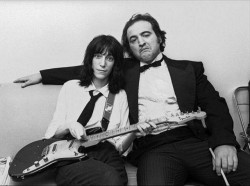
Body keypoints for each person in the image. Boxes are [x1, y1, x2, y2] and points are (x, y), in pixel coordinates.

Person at [14, 14, 250, 186]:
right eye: (133, 39)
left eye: (146, 35)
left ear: (159, 37)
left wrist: (223, 142)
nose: (141, 42)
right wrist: (42, 75)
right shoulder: (123, 69)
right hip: (153, 149)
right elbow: (86, 68)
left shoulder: (190, 69)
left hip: (194, 142)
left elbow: (215, 105)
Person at [42, 34, 138, 186]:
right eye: (98, 56)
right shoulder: (71, 87)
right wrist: (70, 125)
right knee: (110, 179)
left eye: (110, 58)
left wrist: (134, 133)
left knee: (117, 181)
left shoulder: (119, 95)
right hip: (70, 151)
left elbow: (121, 147)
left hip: (107, 152)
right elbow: (52, 134)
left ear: (116, 64)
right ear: (90, 59)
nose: (103, 64)